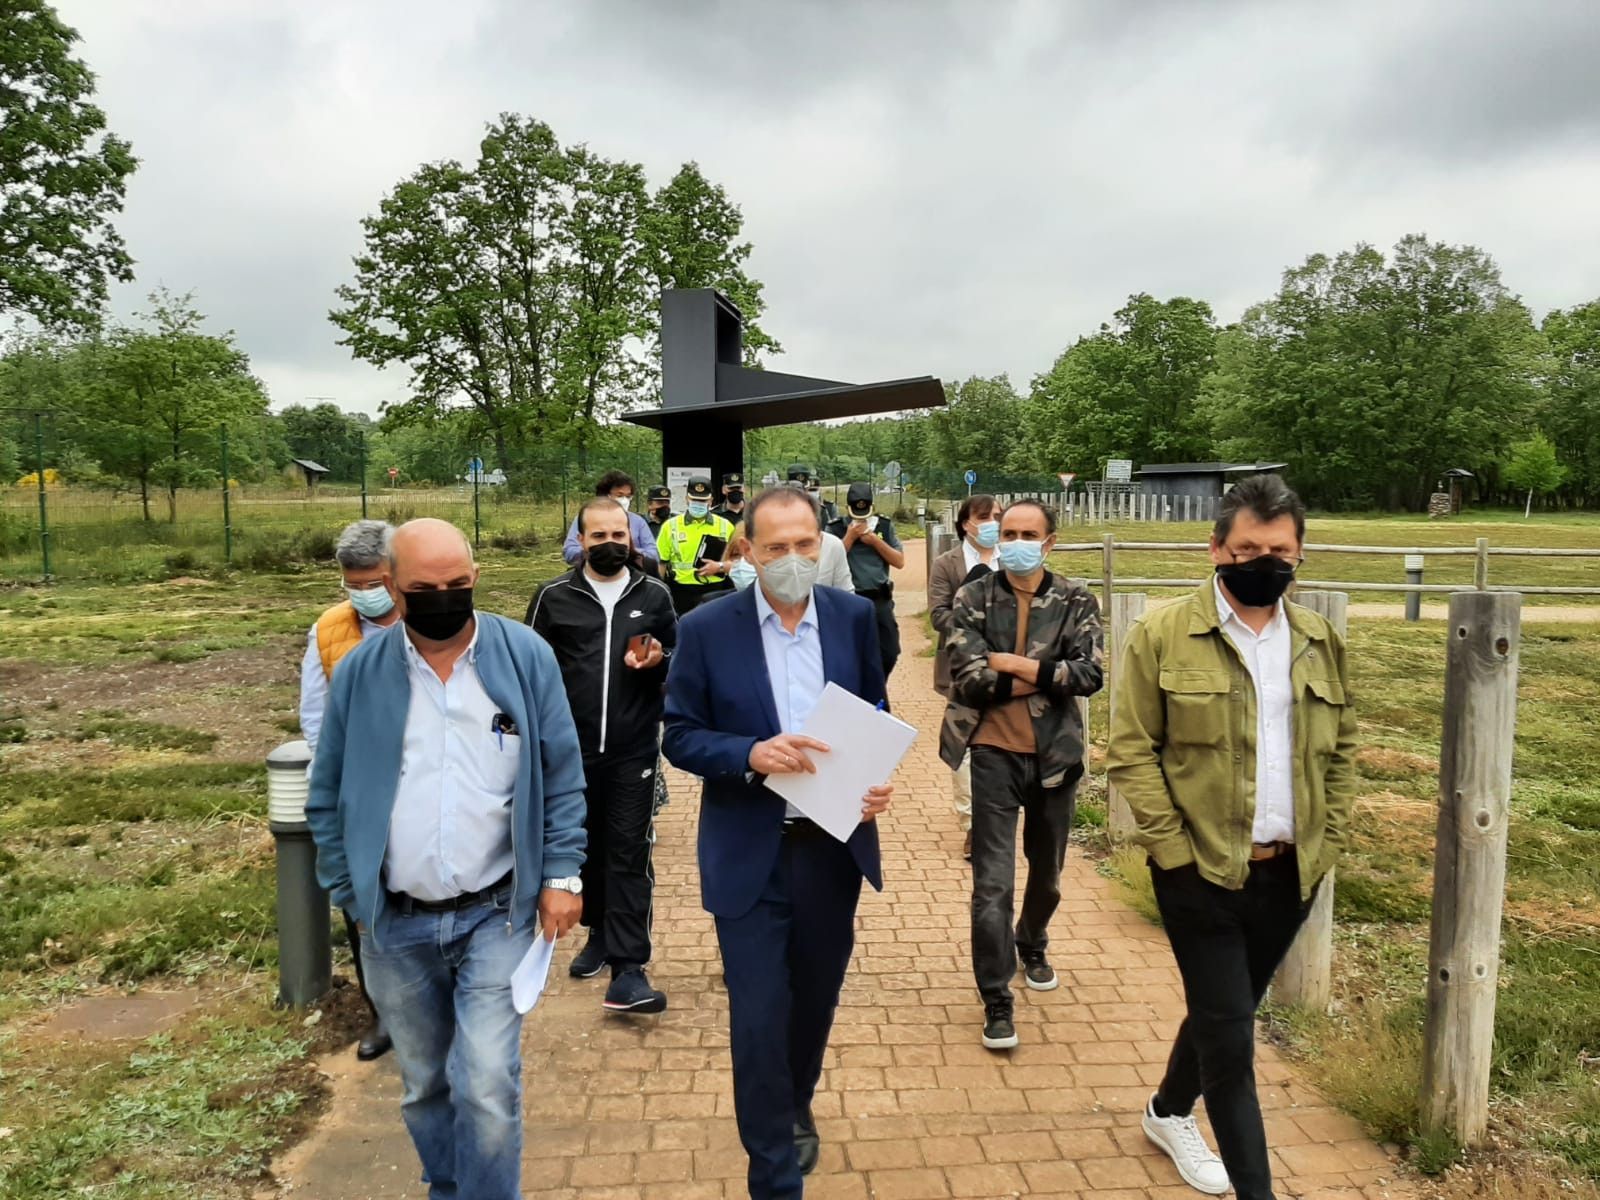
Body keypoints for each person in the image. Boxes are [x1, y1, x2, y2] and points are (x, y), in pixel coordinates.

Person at [306, 518, 588, 1200]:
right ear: (394, 591)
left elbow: (562, 771)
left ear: (476, 579)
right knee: (425, 1083)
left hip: (497, 912)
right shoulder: (362, 673)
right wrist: (350, 892)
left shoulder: (523, 656)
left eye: (457, 585)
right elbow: (328, 788)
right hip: (394, 925)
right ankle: (448, 1185)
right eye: (425, 588)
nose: (443, 598)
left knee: (486, 1080)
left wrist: (560, 873)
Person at [1105, 474, 1357, 1200]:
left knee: (1228, 1011)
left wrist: (1328, 839)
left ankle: (1165, 1110)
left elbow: (1343, 749)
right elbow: (1131, 748)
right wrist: (1175, 856)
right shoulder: (1161, 634)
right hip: (1201, 874)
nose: (1264, 561)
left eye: (1279, 550)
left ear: (1301, 555)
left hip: (1291, 874)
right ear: (1216, 548)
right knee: (1234, 1046)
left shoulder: (1319, 642)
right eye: (1248, 547)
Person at [663, 485, 893, 1200]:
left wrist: (874, 774)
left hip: (831, 846)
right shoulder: (707, 629)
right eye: (774, 549)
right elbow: (679, 734)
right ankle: (773, 1169)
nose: (791, 559)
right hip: (749, 849)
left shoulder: (854, 618)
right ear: (748, 551)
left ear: (820, 542)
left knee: (815, 999)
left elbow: (875, 707)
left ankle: (795, 1101)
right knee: (759, 1012)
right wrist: (750, 752)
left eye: (803, 545)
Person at [939, 499, 1103, 1052]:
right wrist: (1046, 674)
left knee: (1048, 874)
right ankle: (996, 997)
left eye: (1027, 532)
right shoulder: (973, 595)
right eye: (1007, 531)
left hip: (1056, 754)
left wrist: (1012, 663)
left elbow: (1088, 674)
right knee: (991, 884)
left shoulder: (1078, 599)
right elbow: (968, 677)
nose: (1014, 540)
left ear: (1049, 541)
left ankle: (1031, 940)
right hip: (991, 751)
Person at [526, 497, 678, 1013]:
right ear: (580, 540)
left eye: (619, 536)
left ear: (631, 538)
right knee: (585, 848)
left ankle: (629, 969)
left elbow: (679, 658)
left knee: (629, 852)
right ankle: (598, 934)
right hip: (569, 753)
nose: (609, 545)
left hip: (633, 748)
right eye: (598, 537)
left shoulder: (654, 594)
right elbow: (531, 672)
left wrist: (660, 660)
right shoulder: (552, 597)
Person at [297, 518, 399, 1063]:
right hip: (358, 793)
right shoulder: (330, 630)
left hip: (422, 785)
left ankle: (438, 1004)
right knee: (364, 905)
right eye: (352, 584)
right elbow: (316, 715)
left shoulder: (430, 620)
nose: (364, 594)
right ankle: (381, 1011)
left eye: (374, 581)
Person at [928, 494, 999, 861]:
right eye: (984, 517)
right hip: (962, 669)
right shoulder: (947, 564)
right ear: (965, 523)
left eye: (997, 516)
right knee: (966, 745)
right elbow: (938, 616)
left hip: (1009, 668)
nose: (992, 523)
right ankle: (973, 825)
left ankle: (1000, 816)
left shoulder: (1013, 557)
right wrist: (975, 613)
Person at [826, 481, 905, 680]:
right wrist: (850, 538)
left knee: (889, 651)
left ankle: (876, 685)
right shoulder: (835, 528)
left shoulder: (885, 527)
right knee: (850, 654)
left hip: (879, 599)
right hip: (849, 600)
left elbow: (899, 561)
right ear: (847, 508)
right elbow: (827, 561)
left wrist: (876, 542)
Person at [656, 474, 736, 615]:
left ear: (710, 501)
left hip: (715, 589)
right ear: (687, 499)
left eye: (703, 500)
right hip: (681, 592)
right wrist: (658, 595)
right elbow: (662, 564)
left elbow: (739, 563)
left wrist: (719, 567)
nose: (698, 504)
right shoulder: (670, 526)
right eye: (694, 500)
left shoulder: (725, 526)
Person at [562, 469, 660, 570]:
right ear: (605, 495)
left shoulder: (638, 521)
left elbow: (654, 554)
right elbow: (569, 552)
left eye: (628, 496)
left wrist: (628, 552)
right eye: (620, 495)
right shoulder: (585, 518)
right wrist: (597, 551)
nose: (625, 500)